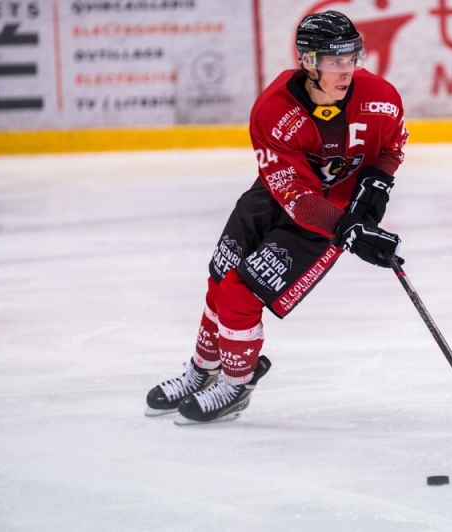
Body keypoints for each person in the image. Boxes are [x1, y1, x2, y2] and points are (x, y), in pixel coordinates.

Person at [144, 10, 407, 425]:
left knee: (241, 294)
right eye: (335, 61)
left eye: (351, 57)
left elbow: (393, 144)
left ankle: (236, 384)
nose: (347, 70)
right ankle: (202, 370)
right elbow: (298, 196)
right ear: (308, 61)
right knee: (219, 281)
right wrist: (348, 230)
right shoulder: (273, 109)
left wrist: (379, 181)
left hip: (327, 219)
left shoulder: (381, 96)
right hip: (276, 197)